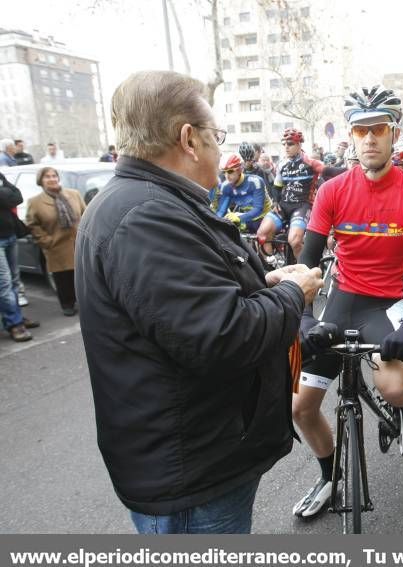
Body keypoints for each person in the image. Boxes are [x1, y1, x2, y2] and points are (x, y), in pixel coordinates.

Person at [75, 70, 323, 534]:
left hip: (191, 460)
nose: (217, 147)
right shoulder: (147, 216)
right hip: (192, 476)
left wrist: (263, 281)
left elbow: (187, 303)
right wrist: (294, 293)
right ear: (188, 139)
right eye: (215, 135)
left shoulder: (153, 203)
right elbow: (223, 337)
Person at [290, 84, 403, 519]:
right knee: (301, 407)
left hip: (386, 303)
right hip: (341, 302)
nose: (370, 138)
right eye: (361, 130)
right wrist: (302, 313)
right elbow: (307, 261)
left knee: (394, 388)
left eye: (379, 129)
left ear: (395, 133)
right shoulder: (333, 191)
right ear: (351, 136)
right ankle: (328, 477)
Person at [256, 128, 325, 264]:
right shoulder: (282, 164)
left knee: (294, 240)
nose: (286, 147)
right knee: (262, 234)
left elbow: (330, 172)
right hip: (283, 206)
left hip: (302, 206)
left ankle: (305, 272)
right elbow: (276, 187)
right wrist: (275, 202)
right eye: (284, 144)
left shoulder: (310, 162)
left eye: (290, 144)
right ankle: (274, 265)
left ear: (299, 144)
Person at [25, 167, 86, 316]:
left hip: (78, 243)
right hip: (57, 246)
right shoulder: (35, 202)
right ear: (41, 181)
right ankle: (67, 304)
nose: (52, 179)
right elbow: (32, 224)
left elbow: (85, 214)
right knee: (63, 279)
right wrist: (47, 241)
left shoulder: (74, 194)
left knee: (83, 277)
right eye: (47, 177)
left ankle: (86, 303)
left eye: (54, 176)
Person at [1, 171, 34, 342]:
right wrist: (5, 195)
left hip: (10, 235)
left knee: (14, 280)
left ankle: (16, 318)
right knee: (4, 284)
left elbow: (17, 197)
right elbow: (8, 197)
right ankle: (14, 324)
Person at [214, 153, 270, 234]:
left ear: (240, 170)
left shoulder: (255, 181)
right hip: (246, 218)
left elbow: (258, 209)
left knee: (262, 236)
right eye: (224, 172)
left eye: (230, 171)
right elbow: (221, 211)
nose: (226, 176)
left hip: (263, 216)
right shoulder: (225, 186)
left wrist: (239, 217)